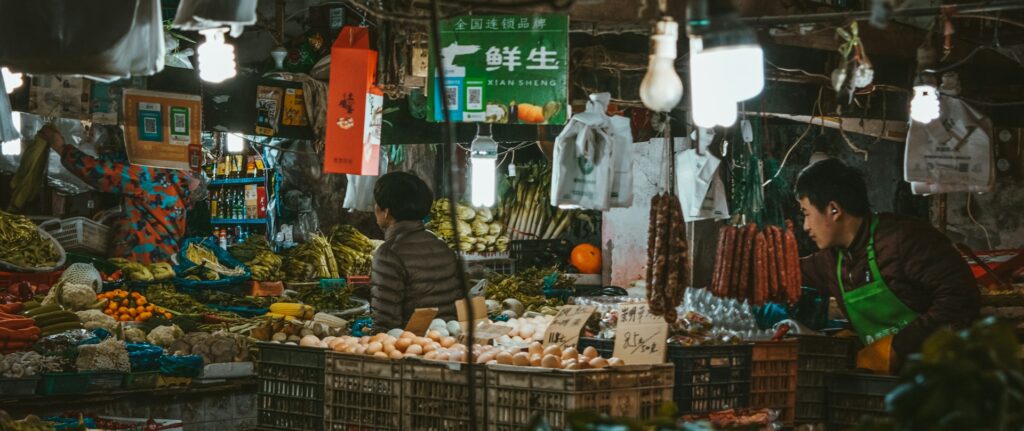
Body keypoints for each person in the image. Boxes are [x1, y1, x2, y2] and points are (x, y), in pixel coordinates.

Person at [795, 159, 978, 369]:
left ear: (834, 209)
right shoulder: (830, 261)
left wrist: (899, 347)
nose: (806, 226)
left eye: (806, 213)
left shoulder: (904, 239)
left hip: (943, 377)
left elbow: (961, 297)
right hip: (889, 388)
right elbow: (791, 271)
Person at [40, 124, 195, 264]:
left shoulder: (147, 173)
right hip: (165, 258)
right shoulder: (173, 175)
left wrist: (60, 147)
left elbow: (99, 172)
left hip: (142, 259)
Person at [370, 171, 462, 330]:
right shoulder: (442, 246)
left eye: (377, 203)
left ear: (386, 211)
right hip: (448, 340)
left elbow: (386, 322)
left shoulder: (389, 254)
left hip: (413, 345)